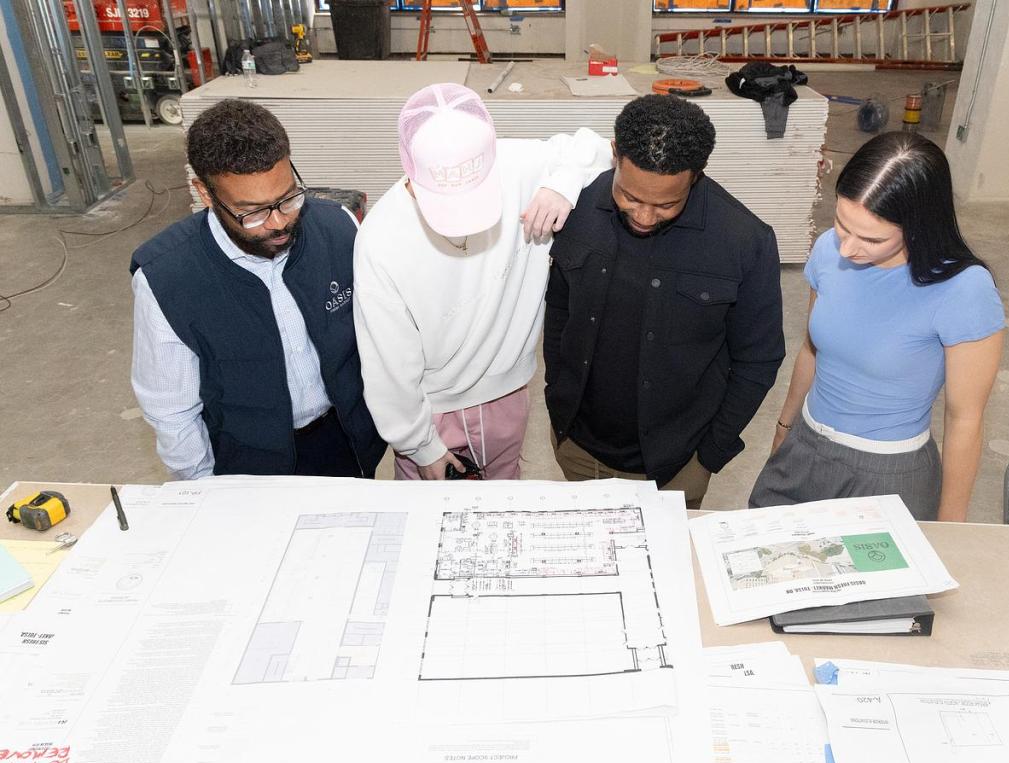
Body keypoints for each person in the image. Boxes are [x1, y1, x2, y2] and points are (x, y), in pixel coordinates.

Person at [353, 83, 612, 481]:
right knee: (426, 522)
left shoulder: (520, 164)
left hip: (508, 393)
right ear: (409, 165)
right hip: (430, 408)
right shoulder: (380, 239)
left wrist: (564, 183)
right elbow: (387, 363)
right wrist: (420, 445)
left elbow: (597, 145)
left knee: (502, 510)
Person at [544, 95, 785, 509]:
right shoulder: (576, 209)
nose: (644, 216)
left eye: (666, 204)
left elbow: (758, 361)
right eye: (631, 197)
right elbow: (559, 311)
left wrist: (710, 454)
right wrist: (556, 393)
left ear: (696, 175)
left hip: (677, 466)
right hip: (577, 449)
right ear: (615, 154)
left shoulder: (745, 242)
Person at [749, 131, 1004, 522]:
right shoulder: (827, 251)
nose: (848, 248)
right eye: (841, 224)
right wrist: (784, 428)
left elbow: (964, 419)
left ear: (919, 224)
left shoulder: (964, 290)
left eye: (870, 238)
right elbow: (812, 350)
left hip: (888, 474)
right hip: (805, 446)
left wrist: (952, 527)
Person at [131, 99, 386, 479]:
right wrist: (204, 493)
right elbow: (172, 412)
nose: (279, 222)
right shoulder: (167, 277)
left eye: (288, 198)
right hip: (249, 465)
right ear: (205, 194)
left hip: (346, 441)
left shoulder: (339, 230)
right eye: (253, 212)